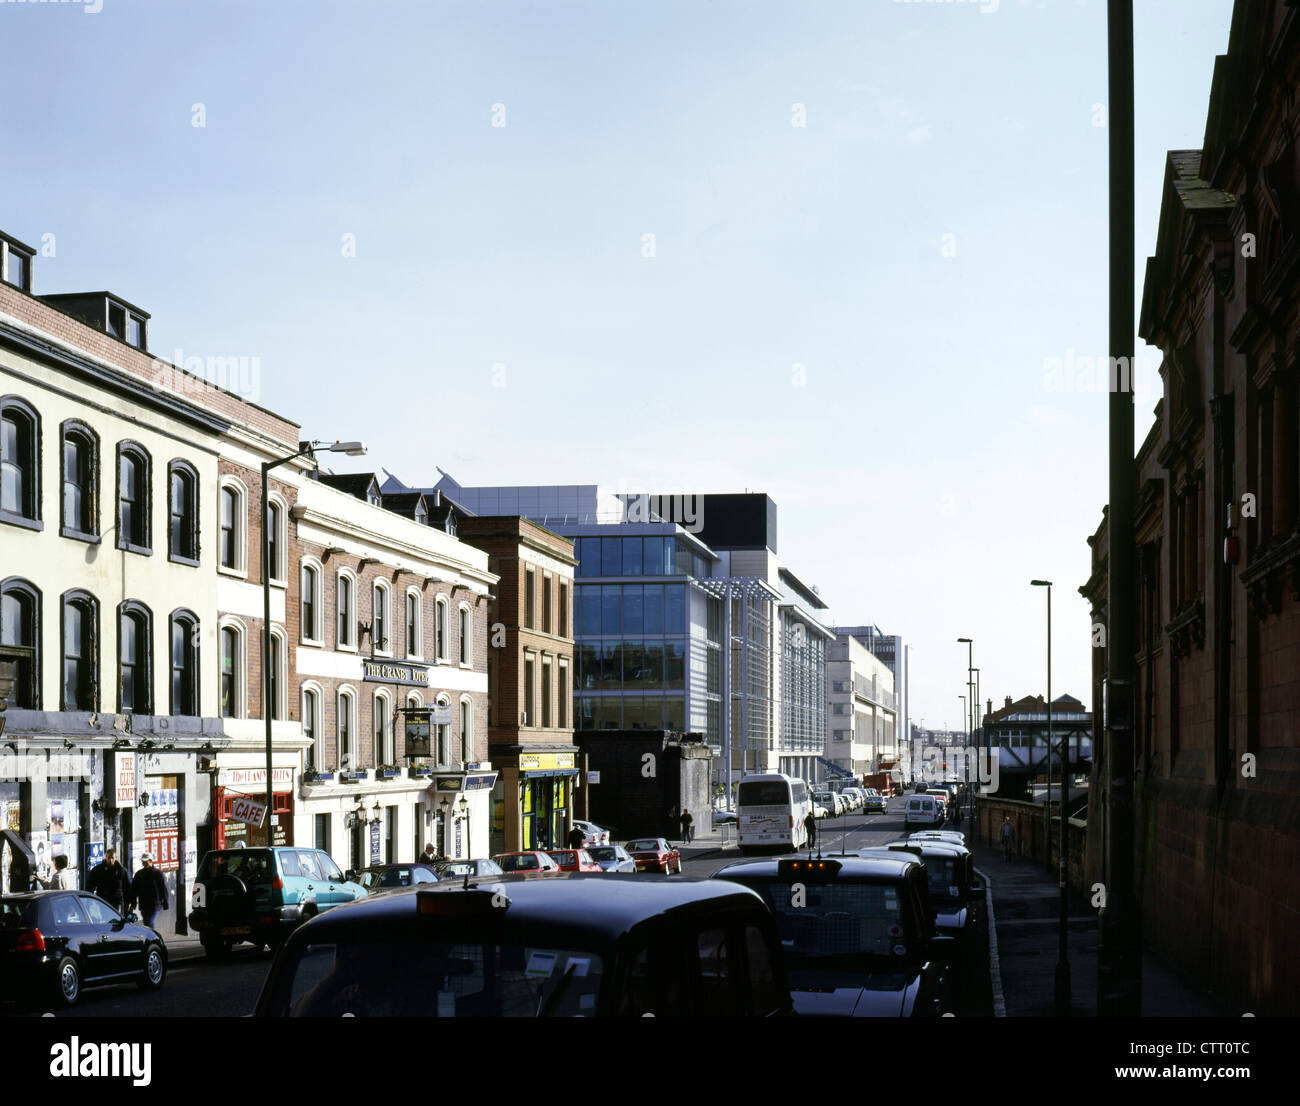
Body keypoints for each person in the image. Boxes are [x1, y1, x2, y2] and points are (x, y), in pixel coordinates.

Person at [129, 853, 169, 930]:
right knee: (146, 922)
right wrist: (133, 904)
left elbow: (163, 889)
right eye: (143, 862)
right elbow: (134, 890)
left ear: (151, 861)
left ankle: (152, 938)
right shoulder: (139, 874)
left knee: (149, 922)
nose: (143, 863)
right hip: (143, 904)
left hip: (154, 904)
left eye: (145, 861)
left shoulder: (158, 874)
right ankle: (151, 937)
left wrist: (165, 903)